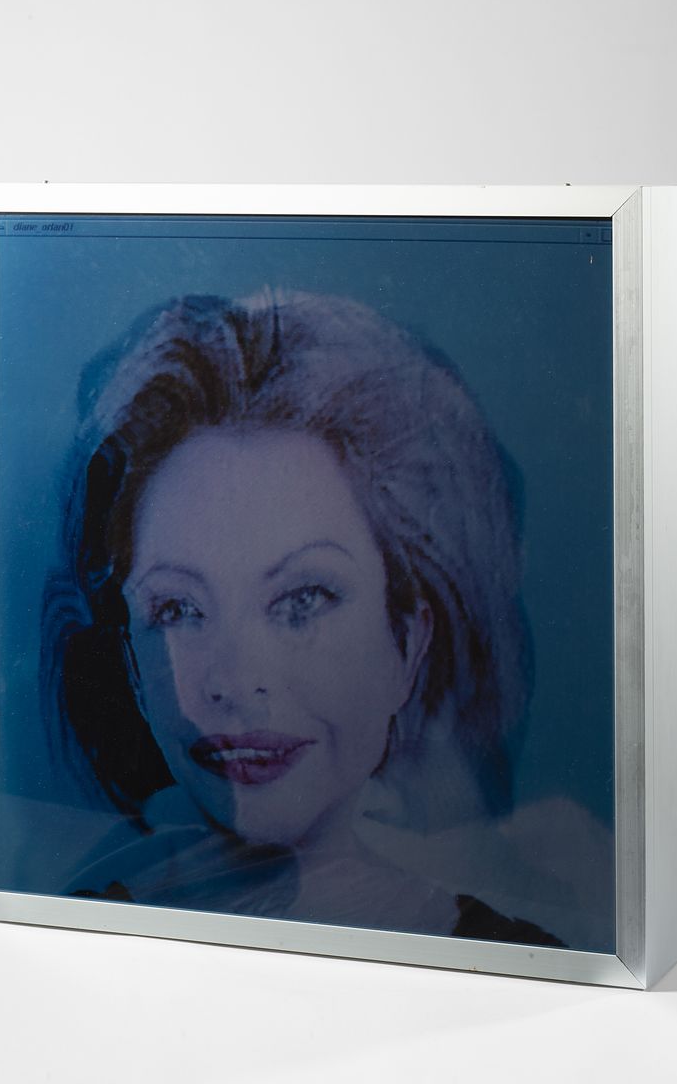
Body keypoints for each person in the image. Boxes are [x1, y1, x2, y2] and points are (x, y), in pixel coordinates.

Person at [43, 289, 563, 946]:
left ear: (407, 643)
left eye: (302, 601)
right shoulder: (65, 939)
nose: (236, 681)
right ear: (131, 664)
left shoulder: (523, 965)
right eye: (178, 610)